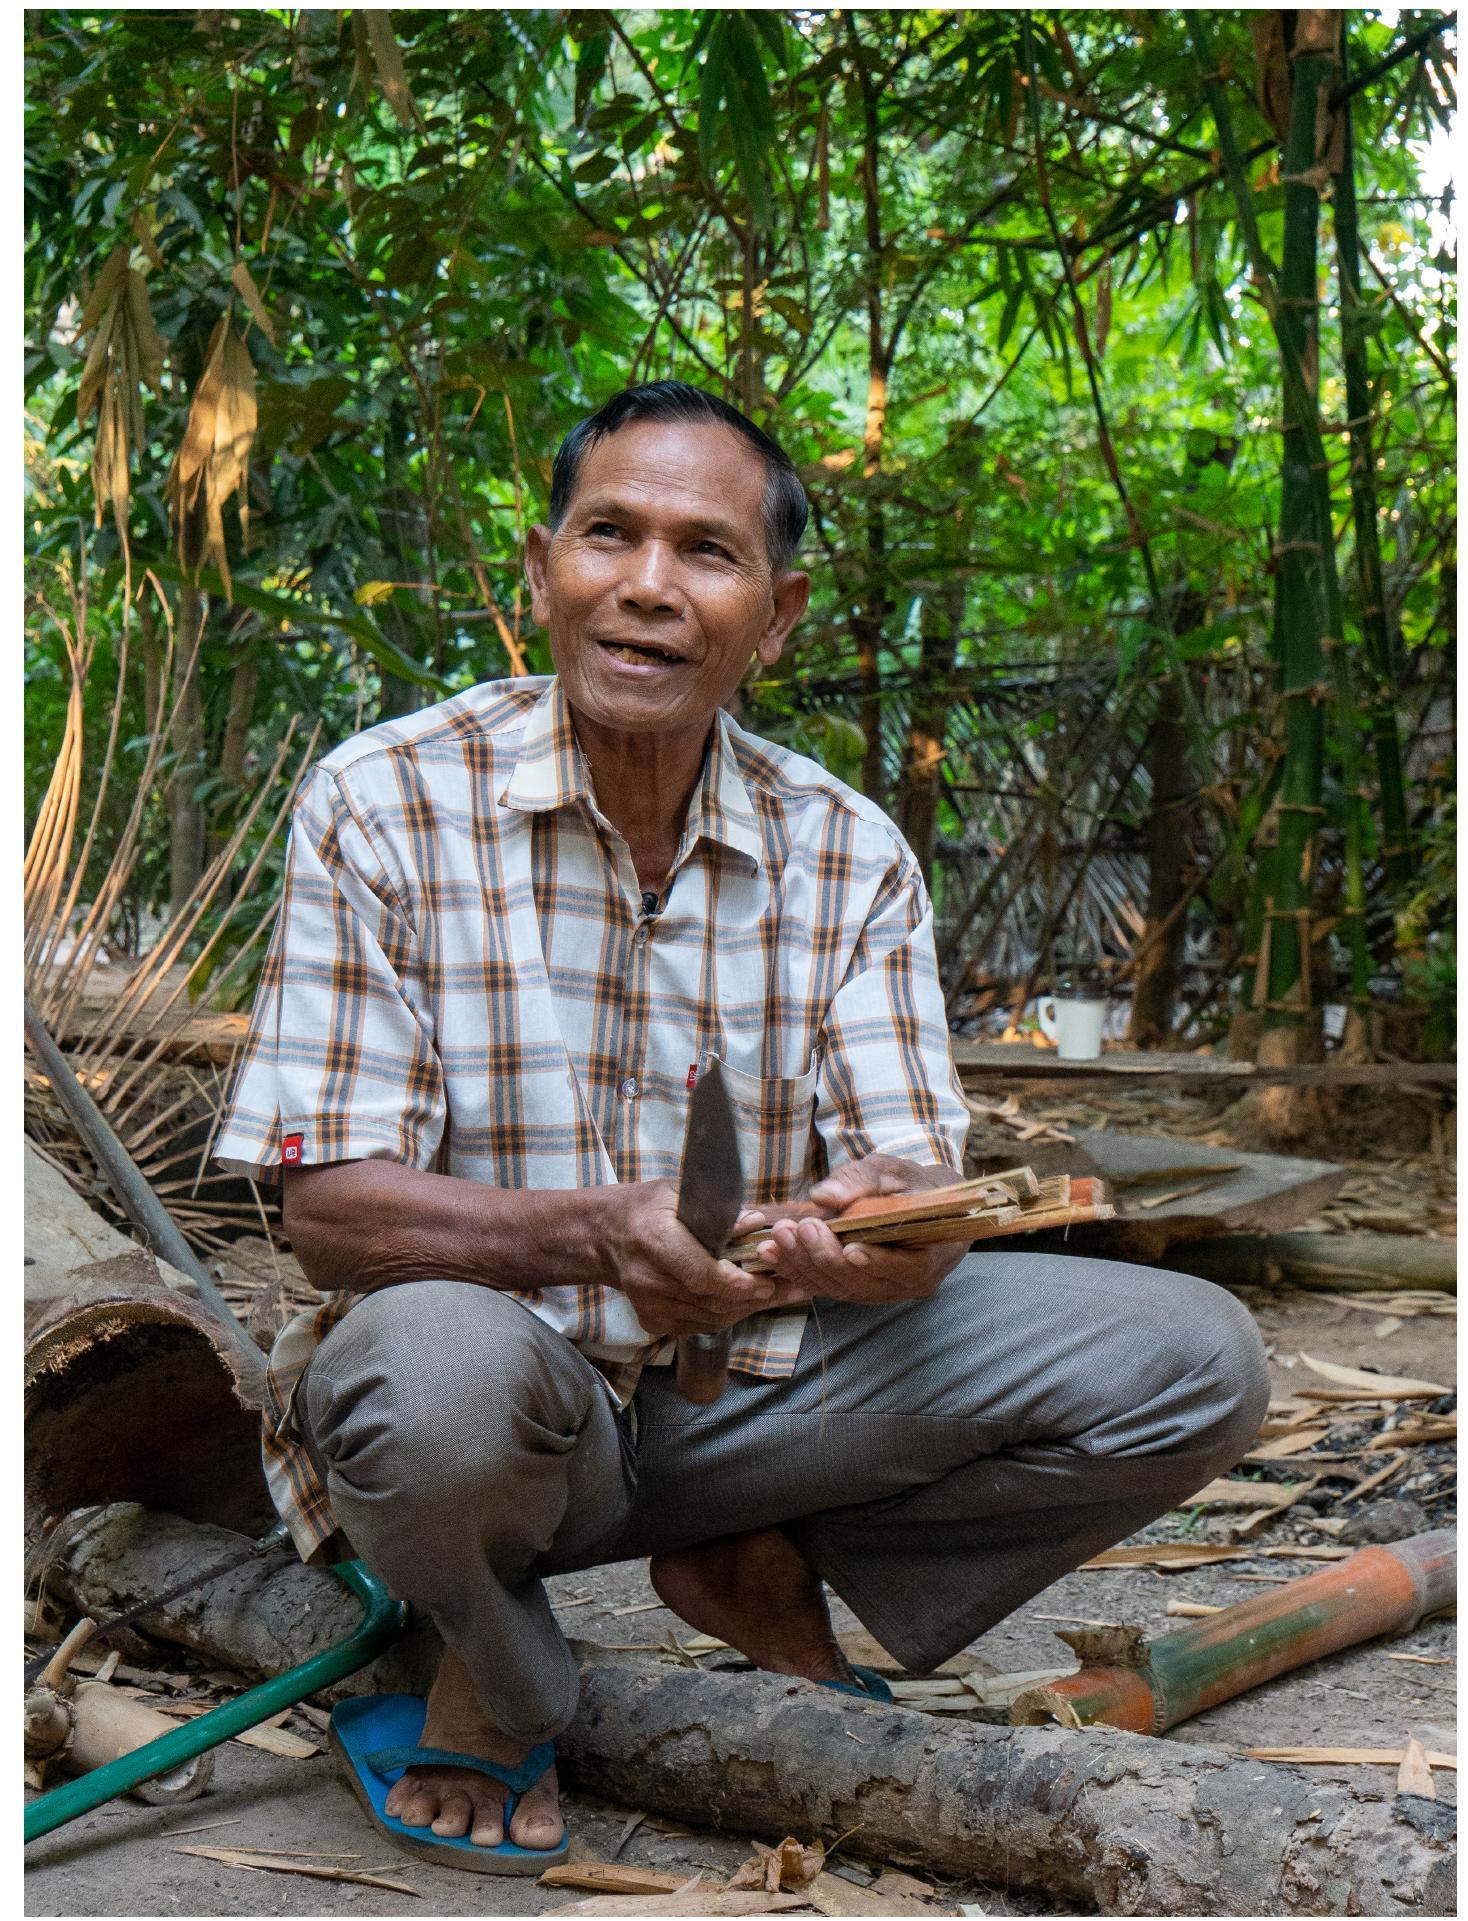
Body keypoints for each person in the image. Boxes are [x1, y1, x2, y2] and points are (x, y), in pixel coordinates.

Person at [216, 381, 1269, 1864]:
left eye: (705, 552)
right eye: (610, 536)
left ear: (775, 617)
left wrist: (878, 1234)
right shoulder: (381, 801)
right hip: (511, 1405)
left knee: (1196, 1361)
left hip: (746, 1388)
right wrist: (589, 1228)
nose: (648, 586)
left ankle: (747, 1558)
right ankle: (499, 1667)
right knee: (424, 1371)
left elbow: (915, 1192)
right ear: (540, 571)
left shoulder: (847, 853)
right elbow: (324, 1213)